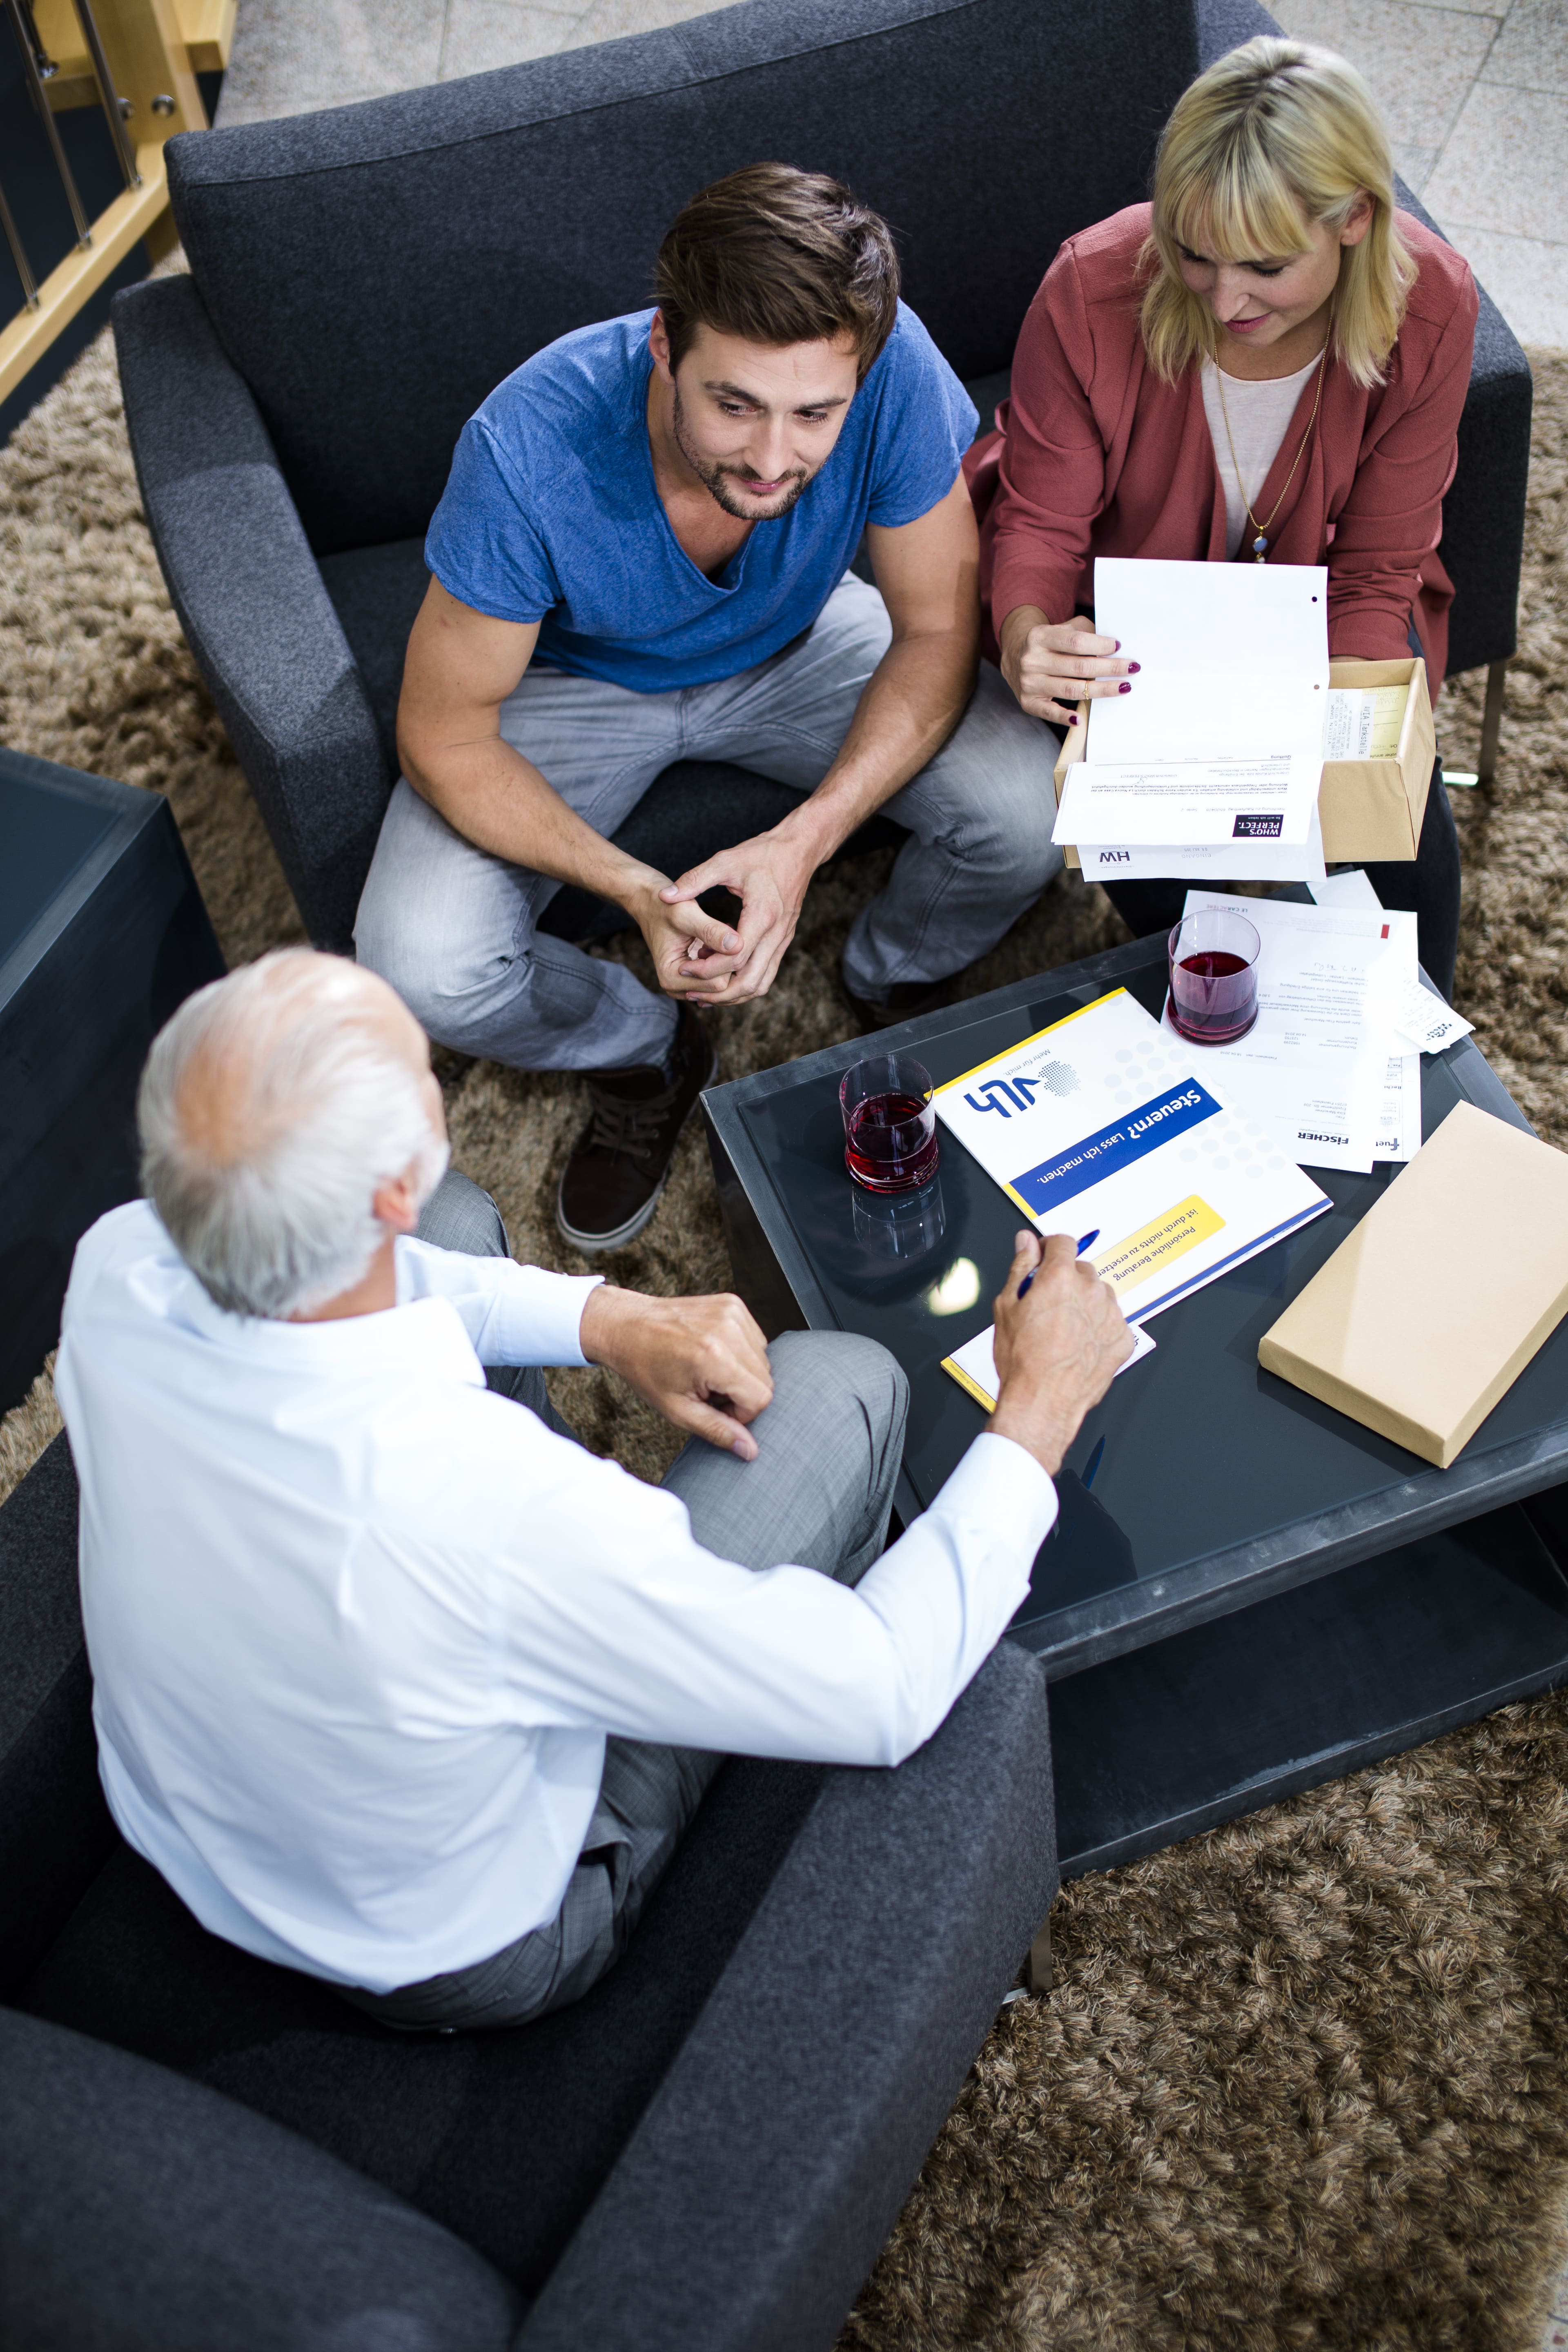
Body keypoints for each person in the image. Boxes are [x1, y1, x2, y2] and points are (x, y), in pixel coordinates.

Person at [53, 950, 1129, 2033]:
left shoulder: (117, 1263)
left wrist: (606, 1320)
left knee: (458, 1227)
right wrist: (1040, 1403)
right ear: (390, 1179)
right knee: (843, 1385)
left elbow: (390, 1276)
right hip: (461, 1946)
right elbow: (884, 1688)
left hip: (195, 1819)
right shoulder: (493, 1511)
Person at [354, 162, 1062, 1256]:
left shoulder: (898, 368)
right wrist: (636, 893)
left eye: (814, 414)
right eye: (733, 404)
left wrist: (804, 843)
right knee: (419, 960)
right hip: (576, 679)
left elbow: (934, 629)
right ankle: (646, 1050)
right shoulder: (527, 447)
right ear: (662, 348)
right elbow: (442, 732)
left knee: (1028, 808)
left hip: (799, 640)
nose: (773, 458)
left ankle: (892, 976)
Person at [967, 39, 1477, 996]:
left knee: (1399, 833)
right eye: (1193, 254)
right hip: (1136, 618)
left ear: (1356, 220)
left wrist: (1338, 739)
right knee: (1169, 872)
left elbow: (1378, 564)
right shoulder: (1089, 287)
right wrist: (1029, 634)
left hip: (1334, 598)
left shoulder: (1434, 306)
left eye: (1266, 266)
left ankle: (1417, 1051)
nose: (1225, 298)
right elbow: (1039, 525)